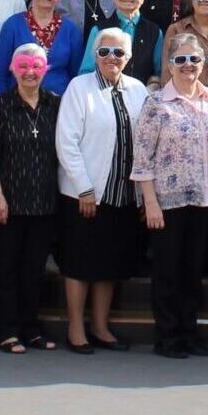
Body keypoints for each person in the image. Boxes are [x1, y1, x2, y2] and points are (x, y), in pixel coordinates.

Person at [135, 32, 208, 359]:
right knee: (167, 271)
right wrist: (150, 202)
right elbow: (142, 157)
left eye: (194, 59)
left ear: (203, 63)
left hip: (203, 201)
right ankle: (167, 336)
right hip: (166, 203)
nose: (188, 65)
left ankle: (190, 332)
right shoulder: (156, 103)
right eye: (181, 59)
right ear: (170, 64)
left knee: (192, 270)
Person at [55, 37, 149, 354]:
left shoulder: (138, 90)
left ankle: (100, 326)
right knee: (80, 263)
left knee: (109, 264)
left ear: (129, 56)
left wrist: (142, 194)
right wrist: (83, 186)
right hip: (85, 194)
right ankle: (76, 328)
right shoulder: (79, 88)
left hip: (122, 195)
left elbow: (146, 142)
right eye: (104, 51)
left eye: (118, 52)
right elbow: (66, 142)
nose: (111, 57)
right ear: (94, 55)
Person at [0, 41, 67, 354]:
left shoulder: (55, 104)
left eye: (36, 66)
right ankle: (6, 329)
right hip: (8, 201)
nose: (30, 72)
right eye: (24, 66)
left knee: (34, 271)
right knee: (6, 269)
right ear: (12, 69)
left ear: (46, 69)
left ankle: (30, 327)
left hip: (44, 201)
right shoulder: (0, 105)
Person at [0, 0, 85, 97]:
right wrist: (1, 106)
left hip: (60, 105)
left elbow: (76, 75)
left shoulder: (71, 30)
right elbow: (0, 73)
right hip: (17, 105)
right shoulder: (12, 25)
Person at [83, 0, 163, 81]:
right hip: (103, 94)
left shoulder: (154, 32)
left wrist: (154, 83)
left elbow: (159, 72)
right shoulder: (98, 30)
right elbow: (86, 72)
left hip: (142, 94)